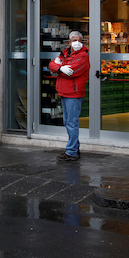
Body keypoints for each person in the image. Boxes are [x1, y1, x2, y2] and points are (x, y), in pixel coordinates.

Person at [47, 30, 90, 161]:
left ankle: (71, 151)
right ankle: (74, 148)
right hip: (65, 91)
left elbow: (72, 72)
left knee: (71, 122)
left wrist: (60, 68)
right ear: (69, 41)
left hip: (74, 93)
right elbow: (51, 64)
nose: (76, 43)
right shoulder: (65, 53)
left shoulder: (83, 56)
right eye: (74, 40)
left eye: (79, 40)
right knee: (68, 122)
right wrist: (60, 68)